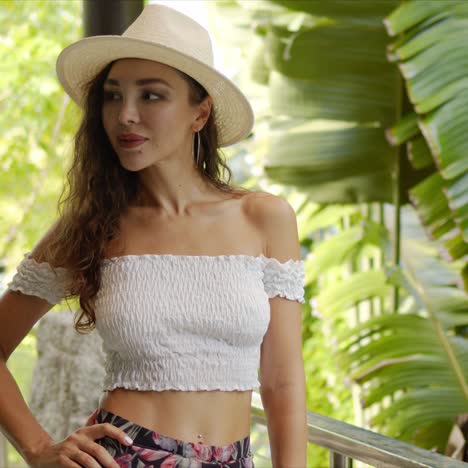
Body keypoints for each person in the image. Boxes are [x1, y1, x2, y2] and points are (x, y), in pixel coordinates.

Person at [0, 3, 308, 468]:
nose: (125, 115)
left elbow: (282, 381)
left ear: (200, 113)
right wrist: (40, 448)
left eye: (151, 96)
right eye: (112, 95)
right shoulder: (92, 226)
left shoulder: (265, 219)